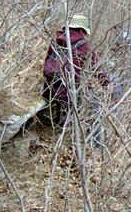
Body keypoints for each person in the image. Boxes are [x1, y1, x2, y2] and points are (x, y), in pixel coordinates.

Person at [42, 14, 108, 145]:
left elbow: (47, 62)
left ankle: (61, 127)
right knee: (94, 108)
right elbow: (98, 70)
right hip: (72, 90)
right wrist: (107, 85)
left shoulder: (56, 41)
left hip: (51, 88)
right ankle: (96, 144)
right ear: (82, 30)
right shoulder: (85, 46)